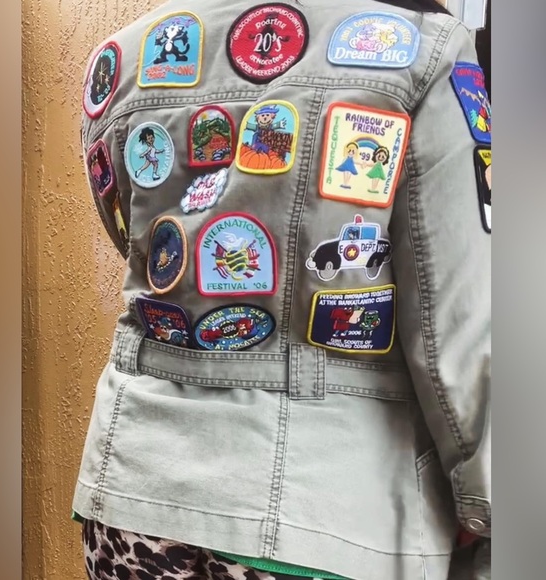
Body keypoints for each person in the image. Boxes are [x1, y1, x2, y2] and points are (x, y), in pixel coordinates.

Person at [74, 0, 491, 579]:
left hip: (132, 492)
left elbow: (149, 254)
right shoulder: (426, 53)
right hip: (329, 514)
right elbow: (462, 324)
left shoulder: (121, 60)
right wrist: (486, 503)